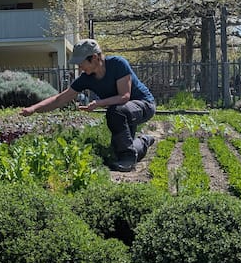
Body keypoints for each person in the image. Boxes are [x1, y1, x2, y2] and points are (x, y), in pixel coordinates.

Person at [20, 39, 156, 172]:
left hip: (144, 105)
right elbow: (59, 99)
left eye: (81, 63)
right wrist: (33, 109)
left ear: (95, 57)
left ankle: (127, 159)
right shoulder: (86, 78)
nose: (79, 67)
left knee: (116, 113)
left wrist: (99, 103)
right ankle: (143, 141)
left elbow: (124, 96)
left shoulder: (118, 64)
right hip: (122, 112)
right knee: (119, 148)